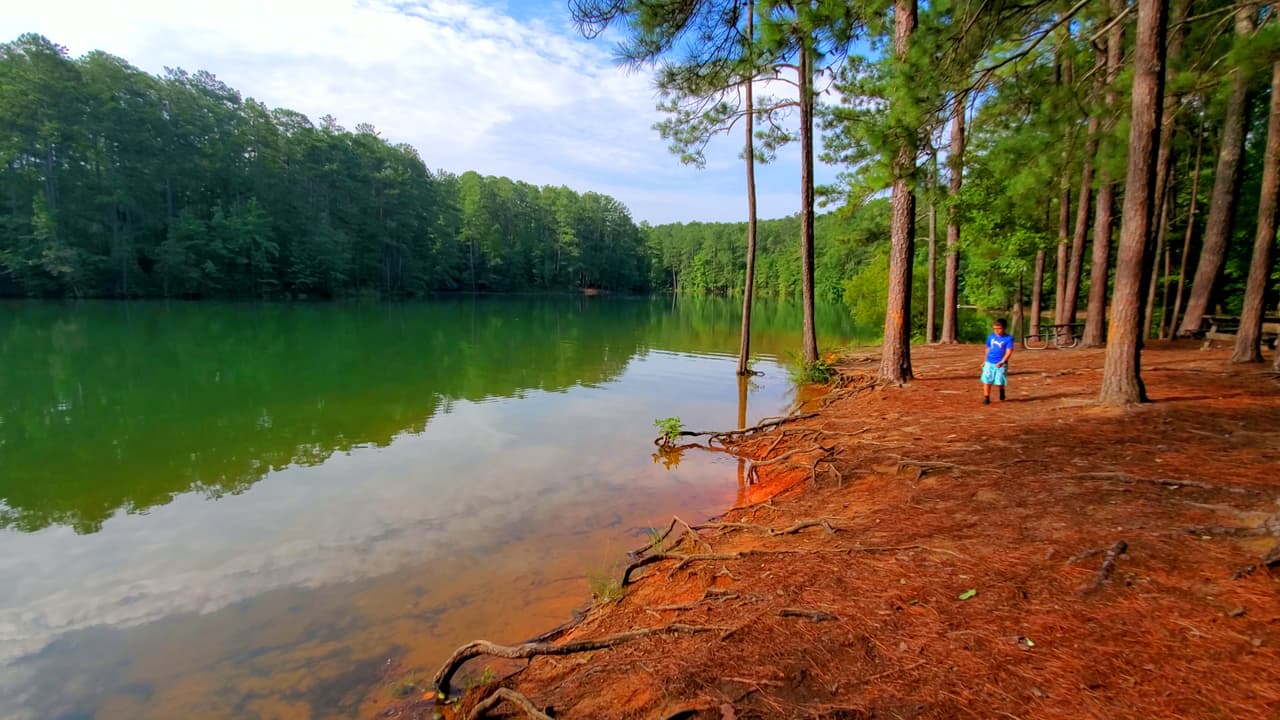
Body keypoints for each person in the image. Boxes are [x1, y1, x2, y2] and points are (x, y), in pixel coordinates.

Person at [981, 318, 1013, 405]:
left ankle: (1001, 390)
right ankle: (986, 397)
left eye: (999, 328)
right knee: (987, 380)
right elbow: (987, 348)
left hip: (1001, 363)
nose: (997, 331)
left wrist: (1002, 361)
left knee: (999, 381)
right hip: (989, 362)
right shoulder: (990, 337)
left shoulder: (1008, 339)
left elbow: (1009, 352)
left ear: (1004, 328)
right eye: (995, 328)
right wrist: (985, 360)